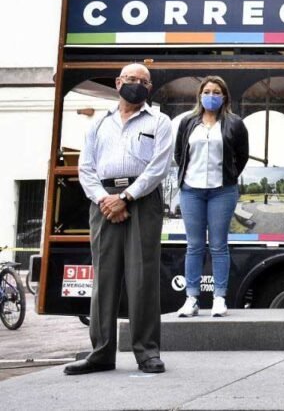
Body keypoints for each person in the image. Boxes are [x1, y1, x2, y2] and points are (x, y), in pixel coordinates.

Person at [65, 63, 173, 375]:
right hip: (102, 202)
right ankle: (100, 353)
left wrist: (126, 198)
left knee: (143, 278)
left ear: (149, 88)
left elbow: (158, 167)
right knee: (105, 278)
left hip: (142, 200)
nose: (136, 84)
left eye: (143, 81)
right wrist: (104, 199)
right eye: (131, 79)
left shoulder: (160, 122)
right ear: (118, 82)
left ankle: (147, 352)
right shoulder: (98, 125)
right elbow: (86, 168)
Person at [173, 76, 249, 318]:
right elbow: (179, 154)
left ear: (224, 96)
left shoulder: (234, 124)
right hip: (191, 190)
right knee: (194, 246)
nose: (211, 95)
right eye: (207, 91)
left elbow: (242, 155)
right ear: (200, 95)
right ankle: (192, 298)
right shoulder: (187, 122)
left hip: (222, 191)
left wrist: (230, 175)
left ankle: (219, 298)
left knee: (218, 245)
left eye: (217, 92)